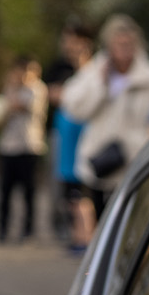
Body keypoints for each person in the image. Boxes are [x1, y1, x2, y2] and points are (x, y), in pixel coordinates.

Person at [59, 14, 149, 251]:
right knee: (100, 231)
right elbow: (75, 108)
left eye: (129, 44)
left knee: (128, 231)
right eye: (119, 44)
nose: (124, 50)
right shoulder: (96, 71)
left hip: (133, 161)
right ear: (109, 44)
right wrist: (101, 84)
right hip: (100, 161)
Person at [42, 21, 94, 245]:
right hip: (61, 133)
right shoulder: (57, 66)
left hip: (86, 134)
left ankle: (82, 231)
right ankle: (63, 225)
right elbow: (48, 93)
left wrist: (65, 95)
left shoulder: (92, 68)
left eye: (73, 40)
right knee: (60, 182)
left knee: (83, 185)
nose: (68, 45)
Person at [0, 56, 48, 243]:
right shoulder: (10, 88)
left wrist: (13, 93)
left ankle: (28, 229)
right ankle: (2, 229)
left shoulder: (37, 89)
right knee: (5, 192)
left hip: (30, 147)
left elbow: (21, 106)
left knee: (29, 192)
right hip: (9, 147)